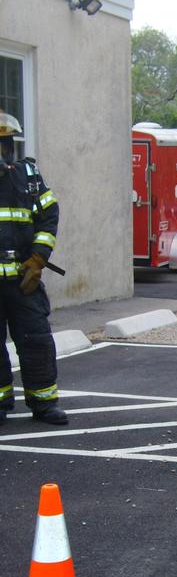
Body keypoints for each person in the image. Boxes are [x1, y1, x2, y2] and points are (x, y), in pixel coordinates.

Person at [0, 112, 67, 425]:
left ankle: (43, 403)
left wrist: (39, 258)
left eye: (7, 143)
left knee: (37, 339)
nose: (5, 150)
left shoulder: (28, 174)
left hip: (23, 279)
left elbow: (49, 213)